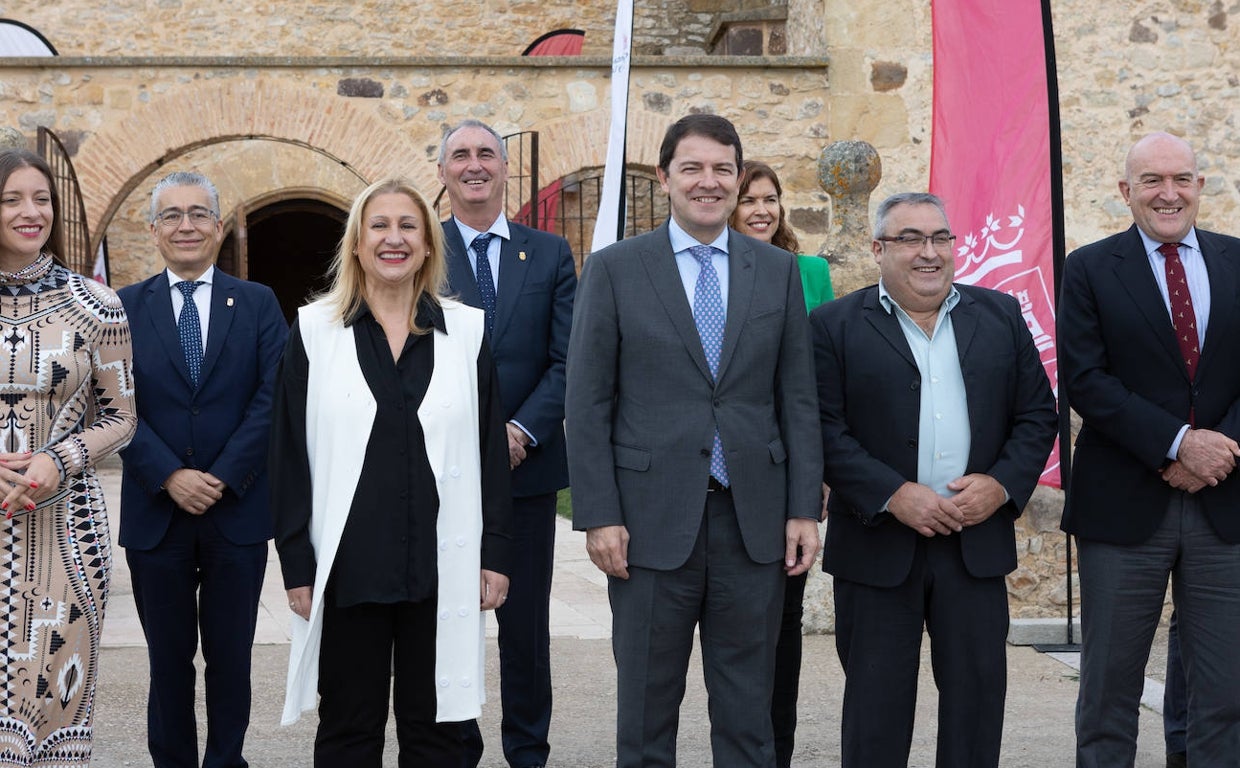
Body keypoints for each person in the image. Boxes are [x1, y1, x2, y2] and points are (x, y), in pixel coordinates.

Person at [566, 114, 822, 768]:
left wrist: (801, 508)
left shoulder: (776, 271)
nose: (708, 182)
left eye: (722, 170)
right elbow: (588, 402)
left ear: (738, 179)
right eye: (693, 168)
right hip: (649, 528)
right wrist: (599, 515)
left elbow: (796, 398)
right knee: (647, 716)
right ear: (666, 178)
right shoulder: (616, 269)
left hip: (752, 522)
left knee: (748, 717)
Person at [271, 178, 512, 767]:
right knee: (349, 730)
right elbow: (287, 455)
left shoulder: (467, 332)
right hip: (350, 565)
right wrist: (297, 563)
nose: (394, 239)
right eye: (379, 226)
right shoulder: (314, 331)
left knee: (439, 734)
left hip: (442, 567)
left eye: (408, 226)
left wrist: (495, 554)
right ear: (356, 243)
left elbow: (488, 451)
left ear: (429, 244)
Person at [811, 192, 1056, 767]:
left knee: (976, 708)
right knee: (875, 712)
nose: (929, 253)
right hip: (876, 548)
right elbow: (821, 428)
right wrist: (893, 494)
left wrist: (1000, 485)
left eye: (940, 238)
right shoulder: (832, 326)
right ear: (877, 249)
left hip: (974, 545)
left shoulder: (999, 315)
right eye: (910, 239)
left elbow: (1037, 415)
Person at [1059, 131, 1240, 768]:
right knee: (1109, 686)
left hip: (1227, 504)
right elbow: (1085, 379)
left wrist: (1220, 450)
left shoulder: (1238, 260)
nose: (1169, 194)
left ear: (1199, 185)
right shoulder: (1088, 268)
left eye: (1181, 179)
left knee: (1226, 694)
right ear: (1125, 192)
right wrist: (1178, 445)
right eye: (1152, 182)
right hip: (1125, 505)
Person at [117, 170, 288, 768]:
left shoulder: (260, 303)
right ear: (155, 231)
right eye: (171, 215)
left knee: (230, 654)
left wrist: (221, 475)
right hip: (155, 512)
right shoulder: (121, 308)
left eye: (197, 214)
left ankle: (225, 761)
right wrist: (168, 474)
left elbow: (274, 396)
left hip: (235, 511)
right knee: (167, 659)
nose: (185, 225)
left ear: (218, 227)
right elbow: (110, 403)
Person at [439, 119, 576, 768]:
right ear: (442, 172)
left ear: (504, 169)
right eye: (460, 155)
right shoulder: (419, 252)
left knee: (525, 633)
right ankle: (456, 751)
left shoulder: (548, 254)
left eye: (485, 154)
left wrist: (520, 430)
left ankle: (528, 753)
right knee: (451, 629)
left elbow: (568, 356)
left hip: (527, 472)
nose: (474, 165)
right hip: (441, 476)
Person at [0, 149, 136, 766]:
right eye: (11, 200)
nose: (32, 213)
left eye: (42, 199)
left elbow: (122, 416)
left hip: (66, 535)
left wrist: (62, 456)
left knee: (52, 704)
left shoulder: (97, 305)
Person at [729, 159, 832, 768]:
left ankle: (778, 752)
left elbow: (816, 385)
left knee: (781, 624)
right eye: (750, 200)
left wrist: (814, 474)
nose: (762, 210)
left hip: (785, 470)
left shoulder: (809, 273)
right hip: (720, 467)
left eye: (770, 199)